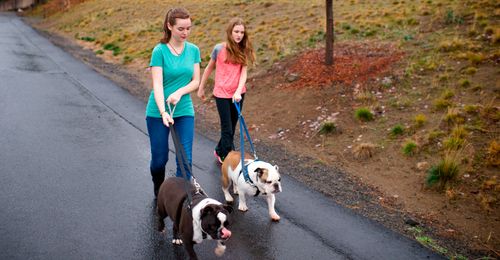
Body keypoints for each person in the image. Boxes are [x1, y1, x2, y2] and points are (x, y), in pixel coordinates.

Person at [146, 7, 200, 197]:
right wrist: (163, 112)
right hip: (157, 111)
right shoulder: (159, 51)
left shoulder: (193, 50)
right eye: (181, 29)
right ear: (169, 26)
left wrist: (179, 92)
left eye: (188, 28)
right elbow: (158, 85)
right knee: (159, 159)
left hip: (184, 110)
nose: (185, 33)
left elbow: (196, 81)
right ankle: (159, 188)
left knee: (185, 159)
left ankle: (181, 200)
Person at [197, 17, 255, 163]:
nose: (239, 35)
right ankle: (227, 156)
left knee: (232, 126)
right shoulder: (219, 49)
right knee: (227, 128)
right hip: (222, 94)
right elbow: (209, 68)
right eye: (236, 31)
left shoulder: (244, 49)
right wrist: (201, 87)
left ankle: (219, 149)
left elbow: (244, 73)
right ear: (230, 32)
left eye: (242, 32)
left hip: (238, 95)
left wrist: (238, 91)